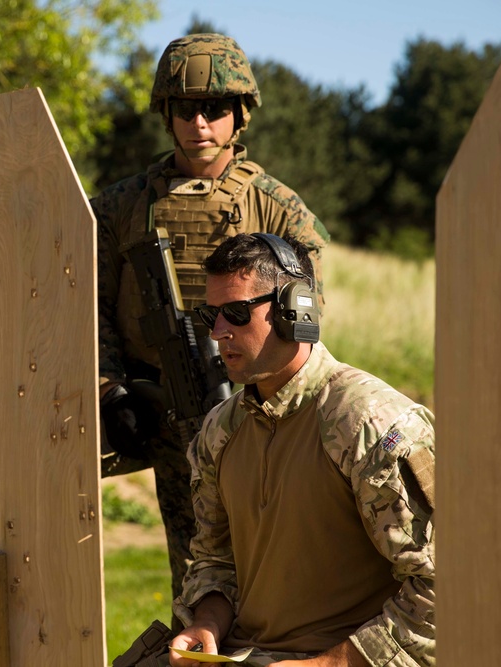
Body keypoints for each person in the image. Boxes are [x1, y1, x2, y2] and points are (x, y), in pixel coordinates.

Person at [92, 33, 331, 607]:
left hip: (257, 408)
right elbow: (84, 303)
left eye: (215, 109)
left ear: (239, 114)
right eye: (185, 108)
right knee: (196, 565)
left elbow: (305, 319)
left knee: (270, 560)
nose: (200, 123)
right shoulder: (119, 207)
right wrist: (109, 389)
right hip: (164, 408)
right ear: (166, 114)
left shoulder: (277, 206)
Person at [164, 233, 435, 666]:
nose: (217, 333)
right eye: (210, 314)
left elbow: (442, 586)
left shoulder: (368, 423)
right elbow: (215, 560)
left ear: (296, 310)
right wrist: (207, 623)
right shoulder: (221, 429)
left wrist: (324, 665)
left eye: (235, 313)